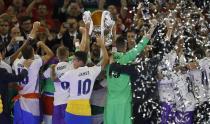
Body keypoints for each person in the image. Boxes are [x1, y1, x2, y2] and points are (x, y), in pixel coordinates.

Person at [104, 19, 157, 124]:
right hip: (124, 104)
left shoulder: (108, 61)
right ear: (125, 47)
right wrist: (153, 27)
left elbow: (113, 48)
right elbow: (141, 44)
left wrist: (113, 31)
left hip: (110, 104)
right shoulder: (127, 58)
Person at [57, 36, 109, 124]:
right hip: (85, 111)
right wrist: (102, 46)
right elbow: (106, 60)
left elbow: (60, 77)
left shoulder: (71, 73)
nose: (73, 62)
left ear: (79, 61)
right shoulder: (92, 71)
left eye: (74, 60)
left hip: (72, 109)